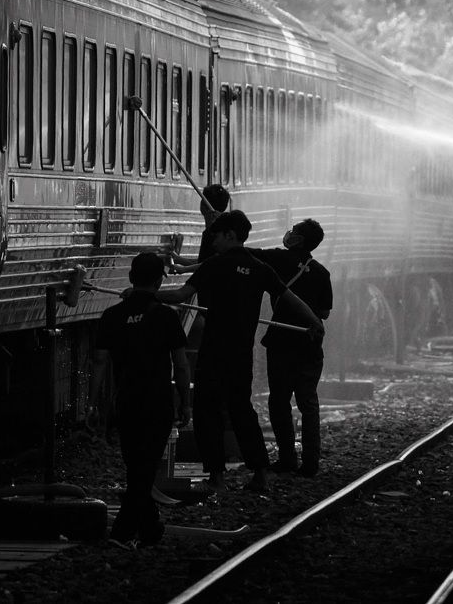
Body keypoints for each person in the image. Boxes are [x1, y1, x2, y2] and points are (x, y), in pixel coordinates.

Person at [155, 210, 323, 492]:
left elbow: (180, 296)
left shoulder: (215, 265)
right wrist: (315, 322)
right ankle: (260, 475)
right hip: (241, 354)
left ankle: (217, 478)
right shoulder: (260, 268)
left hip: (213, 353)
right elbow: (290, 298)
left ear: (229, 235)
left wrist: (145, 295)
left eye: (216, 236)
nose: (214, 242)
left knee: (207, 412)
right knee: (242, 412)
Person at [90, 252, 191, 548]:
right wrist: (185, 402)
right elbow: (181, 364)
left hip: (126, 402)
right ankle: (122, 534)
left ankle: (150, 528)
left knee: (137, 466)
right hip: (158, 402)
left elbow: (99, 361)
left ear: (131, 278)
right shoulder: (166, 315)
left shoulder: (111, 316)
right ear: (160, 281)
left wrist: (93, 403)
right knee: (143, 469)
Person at [249, 219, 332, 477]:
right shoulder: (321, 272)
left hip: (281, 342)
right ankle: (310, 463)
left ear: (298, 239)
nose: (290, 234)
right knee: (308, 402)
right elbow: (324, 313)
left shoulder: (279, 260)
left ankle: (287, 458)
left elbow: (248, 255)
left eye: (294, 232)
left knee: (280, 400)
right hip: (308, 345)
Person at [168, 184, 231, 274]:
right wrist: (179, 260)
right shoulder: (220, 231)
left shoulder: (213, 234)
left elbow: (209, 265)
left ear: (204, 205)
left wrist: (184, 269)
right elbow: (205, 260)